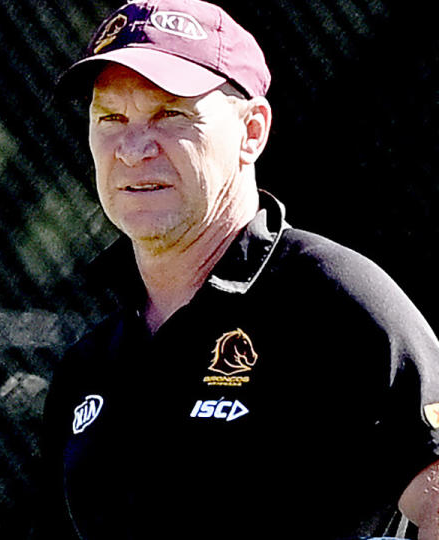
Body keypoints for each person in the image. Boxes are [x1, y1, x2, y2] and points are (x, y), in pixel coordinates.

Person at [40, 1, 439, 538]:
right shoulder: (90, 361)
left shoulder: (337, 303)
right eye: (111, 118)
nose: (133, 149)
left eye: (171, 114)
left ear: (252, 131)